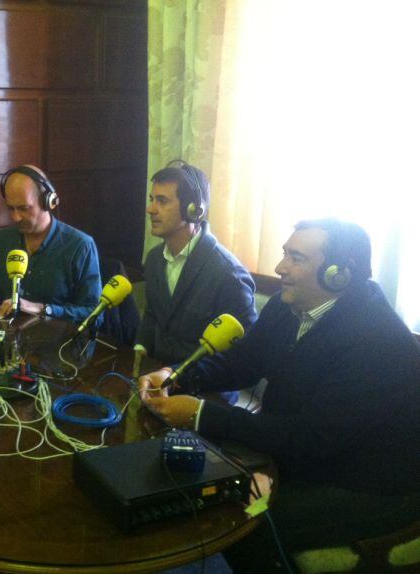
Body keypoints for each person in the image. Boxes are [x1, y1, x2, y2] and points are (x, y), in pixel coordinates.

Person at [139, 219, 420, 572]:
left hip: (371, 486)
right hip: (312, 456)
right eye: (285, 253)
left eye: (296, 258)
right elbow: (243, 362)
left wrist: (201, 415)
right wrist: (177, 376)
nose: (279, 267)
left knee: (246, 520)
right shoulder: (288, 306)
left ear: (338, 275)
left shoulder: (375, 342)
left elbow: (310, 437)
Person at [136, 160, 257, 367]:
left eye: (162, 201)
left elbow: (244, 353)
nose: (150, 209)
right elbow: (151, 315)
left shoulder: (228, 274)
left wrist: (176, 376)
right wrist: (139, 352)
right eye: (152, 199)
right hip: (156, 372)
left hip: (203, 387)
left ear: (193, 209)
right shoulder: (155, 258)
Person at [0, 165, 102, 323]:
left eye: (23, 208)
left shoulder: (80, 246)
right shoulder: (2, 241)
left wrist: (43, 309)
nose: (15, 217)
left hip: (58, 344)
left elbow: (94, 315)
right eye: (10, 208)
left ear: (48, 202)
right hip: (9, 339)